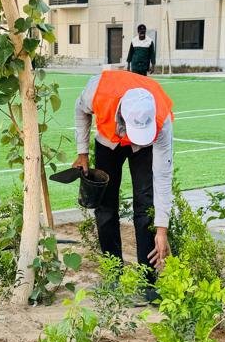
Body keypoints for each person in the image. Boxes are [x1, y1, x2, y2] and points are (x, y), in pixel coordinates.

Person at [71, 70, 175, 292]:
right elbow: (80, 110)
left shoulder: (161, 119)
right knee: (105, 206)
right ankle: (113, 272)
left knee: (145, 203)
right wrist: (82, 153)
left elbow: (163, 177)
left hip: (144, 148)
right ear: (121, 115)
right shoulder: (97, 91)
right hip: (108, 141)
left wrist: (162, 230)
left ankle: (147, 281)